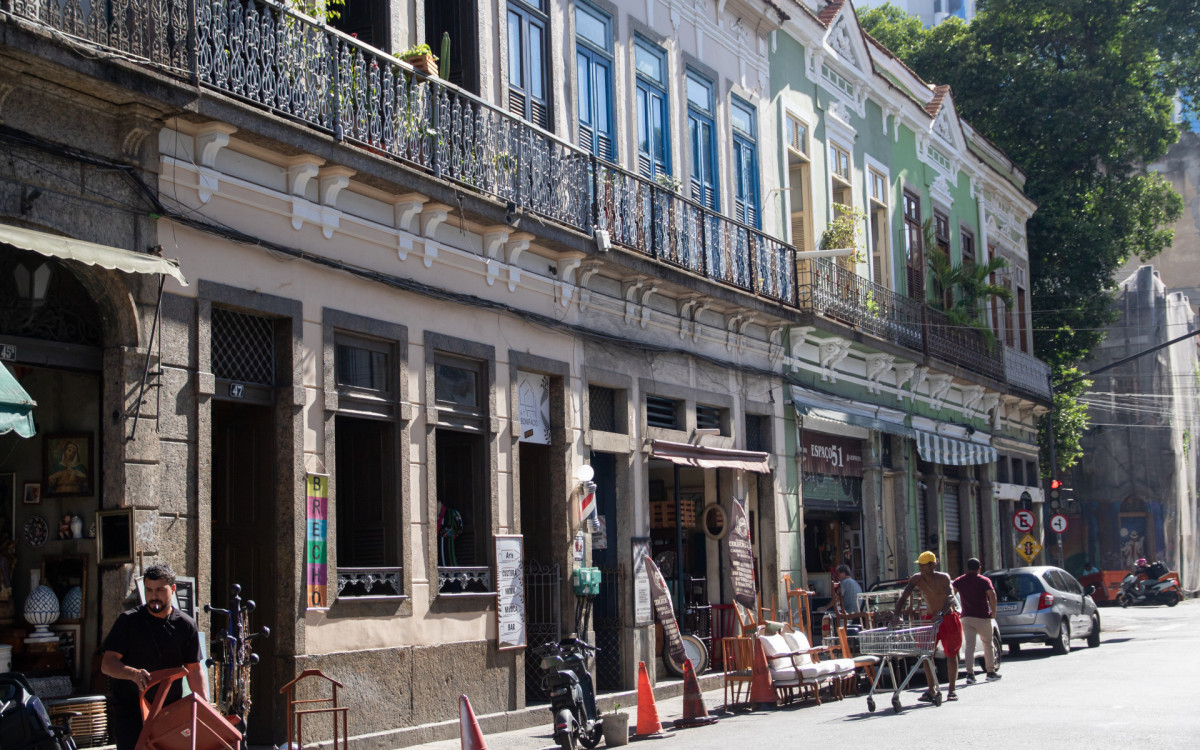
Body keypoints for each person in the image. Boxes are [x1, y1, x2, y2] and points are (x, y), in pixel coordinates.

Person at [101, 564, 206, 750]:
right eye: (148, 590)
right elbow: (107, 664)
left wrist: (204, 708)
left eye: (159, 590)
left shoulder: (186, 625)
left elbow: (195, 670)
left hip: (168, 713)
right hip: (130, 712)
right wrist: (132, 674)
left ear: (173, 589)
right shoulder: (128, 621)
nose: (153, 596)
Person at [893, 550, 962, 702]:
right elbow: (904, 596)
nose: (922, 569)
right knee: (925, 653)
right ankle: (931, 689)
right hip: (930, 618)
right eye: (920, 566)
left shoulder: (944, 578)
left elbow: (950, 596)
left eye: (924, 566)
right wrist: (896, 614)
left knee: (951, 654)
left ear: (933, 565)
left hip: (948, 617)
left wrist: (942, 613)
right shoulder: (917, 579)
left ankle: (951, 689)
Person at [953, 558, 1001, 684]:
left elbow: (950, 595)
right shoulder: (984, 580)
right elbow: (992, 595)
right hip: (982, 617)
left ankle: (970, 674)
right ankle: (990, 672)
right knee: (988, 644)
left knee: (970, 646)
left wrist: (954, 609)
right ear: (979, 568)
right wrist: (994, 611)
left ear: (967, 568)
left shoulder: (960, 580)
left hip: (966, 617)